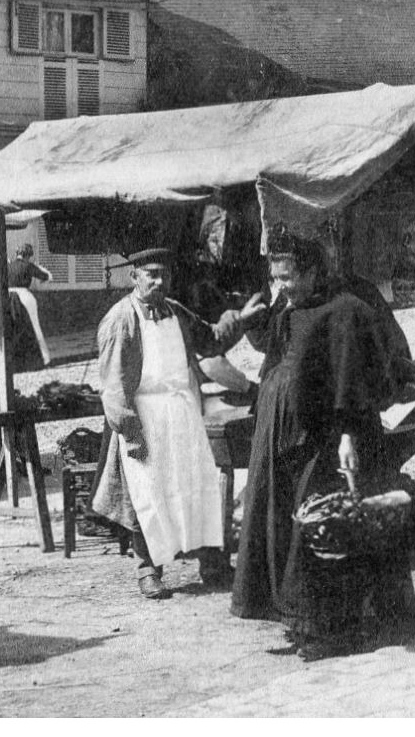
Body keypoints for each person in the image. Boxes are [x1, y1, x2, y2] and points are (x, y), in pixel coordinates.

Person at [231, 230, 415, 661]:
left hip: (332, 440)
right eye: (276, 278)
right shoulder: (292, 307)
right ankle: (303, 621)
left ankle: (338, 627)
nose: (282, 287)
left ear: (315, 271)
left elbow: (354, 380)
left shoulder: (346, 311)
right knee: (289, 525)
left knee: (330, 525)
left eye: (289, 278)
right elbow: (278, 353)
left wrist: (349, 436)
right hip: (288, 438)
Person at [90, 248, 262, 600]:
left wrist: (240, 319)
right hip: (144, 417)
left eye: (163, 274)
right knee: (147, 493)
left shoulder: (175, 311)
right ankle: (148, 570)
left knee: (196, 486)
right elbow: (114, 384)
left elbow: (210, 340)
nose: (158, 281)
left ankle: (212, 563)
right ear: (133, 277)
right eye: (150, 274)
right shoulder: (120, 319)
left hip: (182, 413)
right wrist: (131, 432)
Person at [7, 245, 54, 366]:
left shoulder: (8, 266)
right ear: (28, 255)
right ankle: (43, 358)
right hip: (24, 297)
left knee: (12, 329)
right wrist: (41, 268)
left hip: (8, 297)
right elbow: (47, 277)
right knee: (34, 327)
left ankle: (14, 361)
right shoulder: (28, 265)